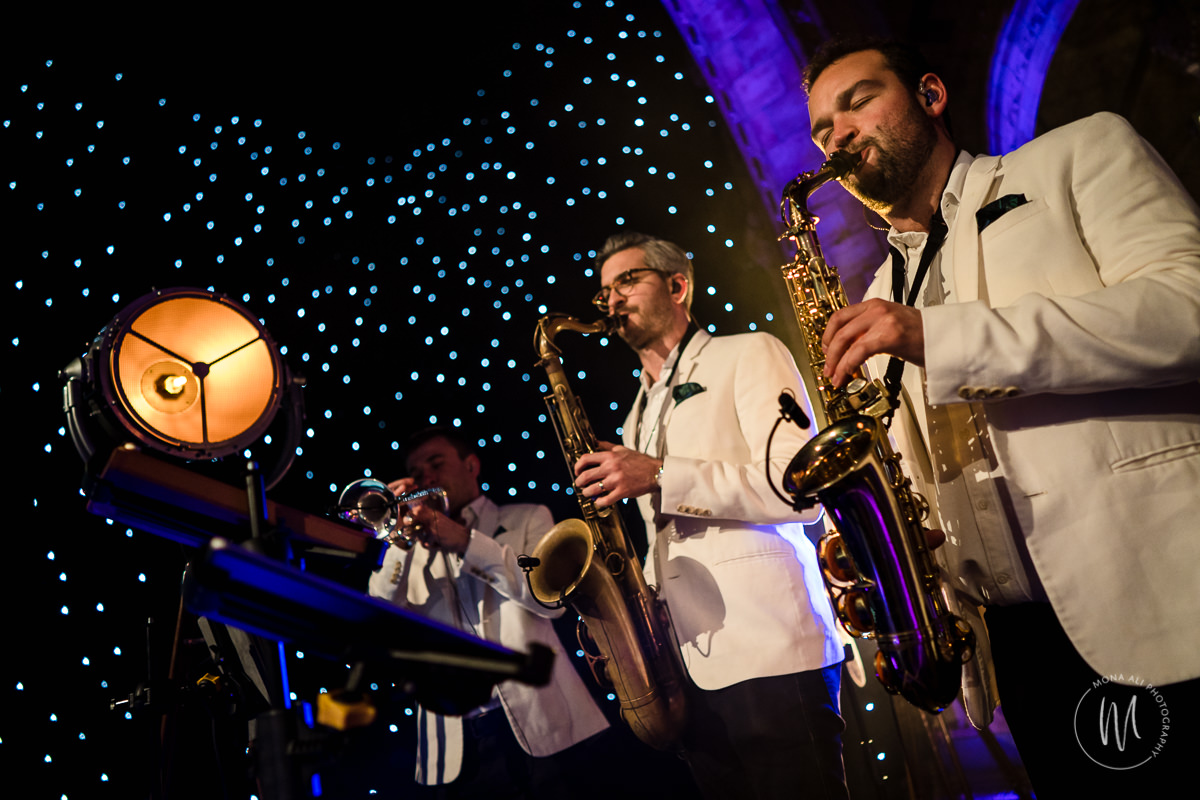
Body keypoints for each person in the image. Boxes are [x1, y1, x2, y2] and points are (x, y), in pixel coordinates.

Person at [803, 36, 1200, 796]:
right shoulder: (878, 295)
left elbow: (1188, 310)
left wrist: (939, 336)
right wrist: (886, 549)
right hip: (1017, 650)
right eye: (822, 130)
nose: (838, 136)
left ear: (930, 95)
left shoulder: (1077, 154)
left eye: (858, 102)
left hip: (1156, 598)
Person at [572, 232, 849, 800]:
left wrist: (661, 474)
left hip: (770, 645)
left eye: (628, 280)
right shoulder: (633, 417)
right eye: (605, 291)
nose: (613, 299)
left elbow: (802, 491)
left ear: (678, 286)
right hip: (686, 667)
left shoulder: (748, 353)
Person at [366, 426, 610, 798]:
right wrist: (397, 541)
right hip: (458, 746)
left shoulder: (527, 518)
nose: (425, 478)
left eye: (436, 463)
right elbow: (379, 620)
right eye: (415, 473)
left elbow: (549, 601)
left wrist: (466, 542)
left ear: (471, 465)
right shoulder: (405, 551)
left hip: (547, 725)